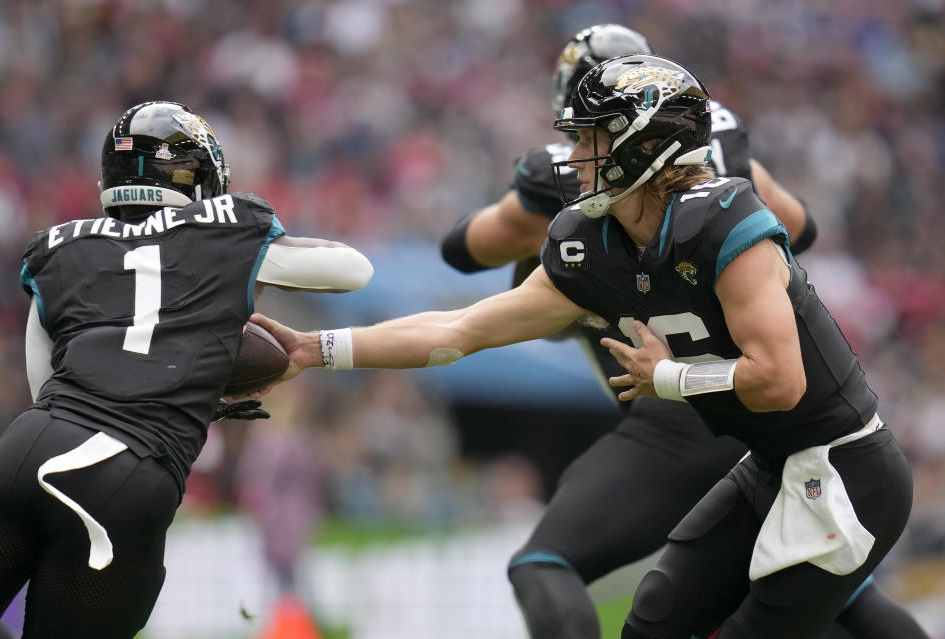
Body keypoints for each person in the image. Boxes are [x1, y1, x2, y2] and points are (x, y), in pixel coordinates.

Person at [248, 55, 914, 638]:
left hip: (845, 467)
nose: (577, 156)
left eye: (594, 138)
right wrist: (316, 347)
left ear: (643, 146)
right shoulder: (588, 242)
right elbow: (460, 331)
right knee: (654, 613)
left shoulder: (726, 221)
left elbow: (782, 380)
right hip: (767, 463)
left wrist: (672, 378)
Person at [440, 24, 926, 639]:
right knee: (839, 598)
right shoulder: (721, 152)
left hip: (678, 415)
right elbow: (799, 229)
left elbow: (459, 249)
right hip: (760, 426)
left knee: (543, 562)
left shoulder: (561, 177)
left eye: (590, 121)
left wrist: (537, 231)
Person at [0, 101, 373, 639]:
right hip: (121, 474)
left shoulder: (59, 246)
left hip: (20, 453)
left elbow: (43, 384)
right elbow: (353, 269)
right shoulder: (228, 227)